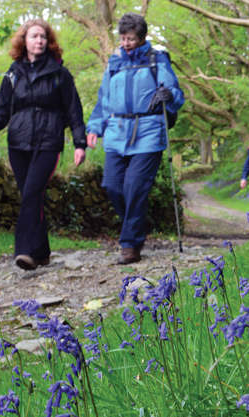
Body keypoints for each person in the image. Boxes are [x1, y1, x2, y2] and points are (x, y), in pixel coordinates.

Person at [0, 19, 87, 271]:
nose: (39, 41)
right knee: (31, 196)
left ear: (48, 41)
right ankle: (42, 251)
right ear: (24, 41)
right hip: (18, 144)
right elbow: (1, 114)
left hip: (49, 142)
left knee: (32, 193)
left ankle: (24, 251)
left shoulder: (60, 74)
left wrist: (79, 143)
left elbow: (74, 111)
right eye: (34, 36)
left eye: (43, 37)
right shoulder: (12, 75)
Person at [86, 13, 185, 264]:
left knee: (134, 187)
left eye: (130, 39)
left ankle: (130, 245)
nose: (126, 43)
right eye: (122, 38)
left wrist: (168, 95)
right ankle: (137, 224)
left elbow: (175, 93)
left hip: (149, 131)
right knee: (112, 184)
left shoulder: (156, 59)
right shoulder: (114, 62)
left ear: (141, 38)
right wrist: (95, 127)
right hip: (117, 130)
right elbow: (104, 99)